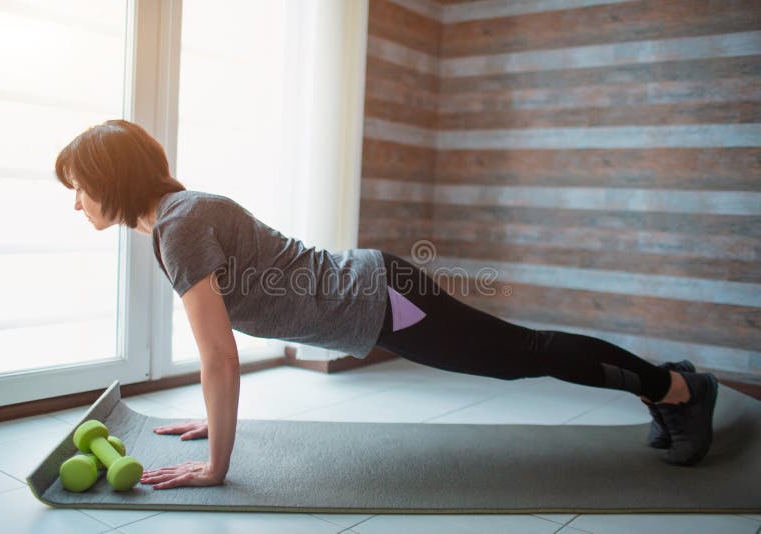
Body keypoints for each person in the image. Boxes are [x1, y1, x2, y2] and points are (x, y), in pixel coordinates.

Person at [55, 120, 719, 490]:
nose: (76, 200)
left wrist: (217, 465)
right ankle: (669, 383)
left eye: (78, 186)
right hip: (377, 294)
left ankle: (681, 388)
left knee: (523, 356)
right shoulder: (180, 218)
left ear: (109, 179)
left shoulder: (178, 225)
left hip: (383, 301)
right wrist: (211, 423)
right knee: (520, 355)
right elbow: (224, 350)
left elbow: (219, 357)